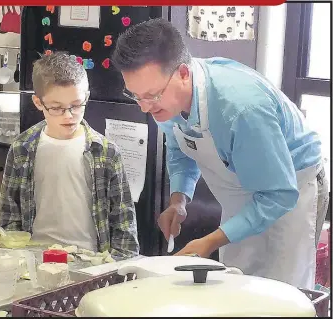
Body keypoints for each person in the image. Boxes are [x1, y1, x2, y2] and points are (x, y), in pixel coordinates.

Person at [111, 18, 329, 289]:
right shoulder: (163, 102)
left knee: (283, 290)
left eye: (151, 95)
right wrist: (178, 200)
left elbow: (279, 194)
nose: (144, 107)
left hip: (291, 187)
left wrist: (211, 241)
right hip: (240, 191)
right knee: (238, 281)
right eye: (135, 96)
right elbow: (180, 144)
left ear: (183, 73)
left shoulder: (241, 109)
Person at [0, 52, 139, 258]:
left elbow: (124, 224)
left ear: (87, 97)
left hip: (91, 261)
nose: (68, 115)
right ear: (38, 103)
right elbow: (9, 217)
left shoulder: (106, 152)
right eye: (56, 108)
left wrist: (119, 269)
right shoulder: (22, 149)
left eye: (76, 105)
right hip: (35, 260)